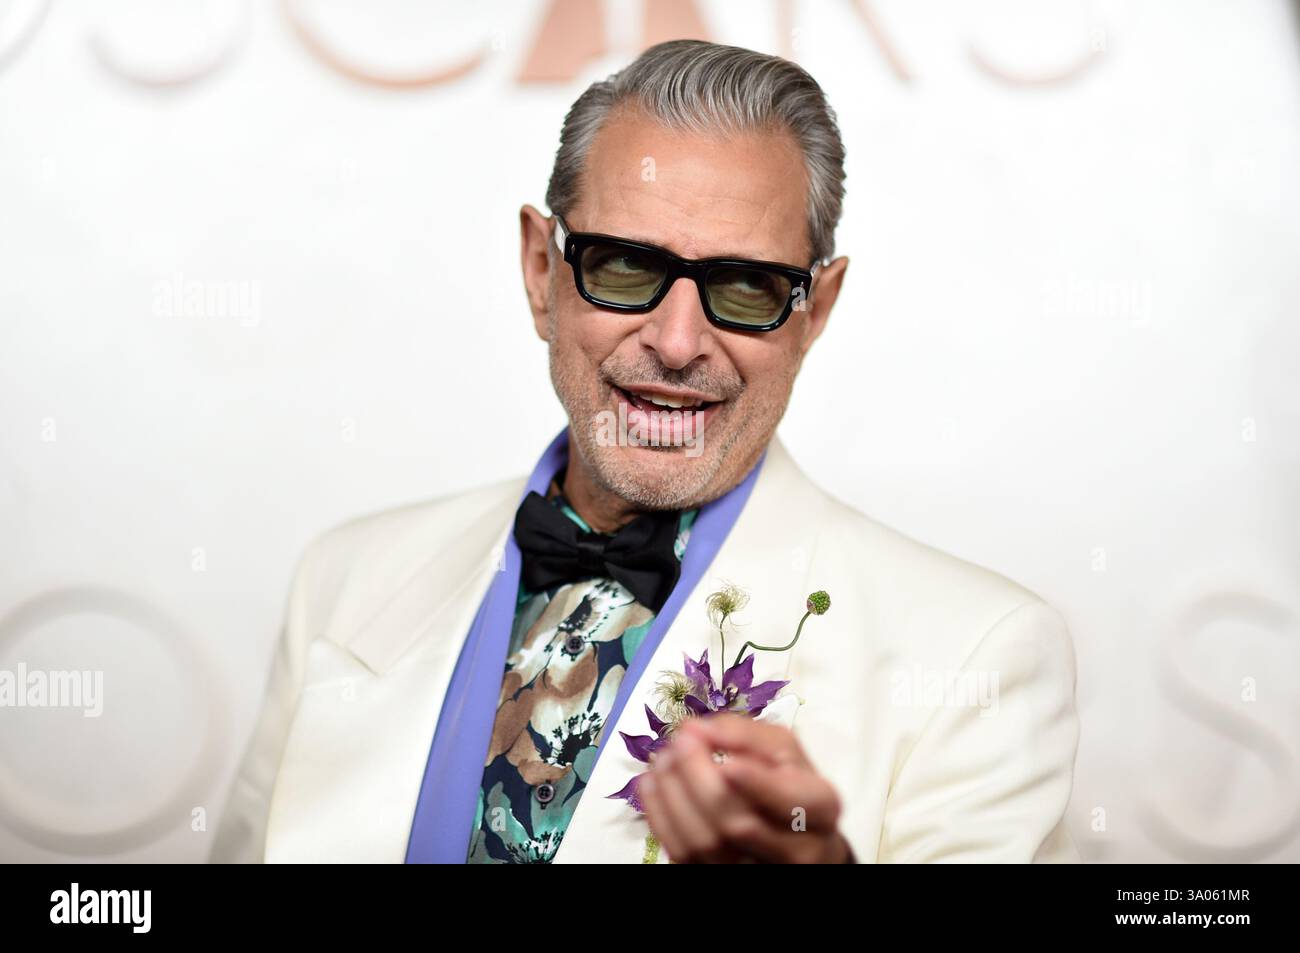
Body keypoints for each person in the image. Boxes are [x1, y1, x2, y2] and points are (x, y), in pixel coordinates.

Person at [211, 39, 1079, 864]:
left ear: (813, 312)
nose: (675, 341)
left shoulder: (980, 656)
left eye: (747, 286)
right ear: (540, 272)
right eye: (624, 266)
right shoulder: (344, 578)